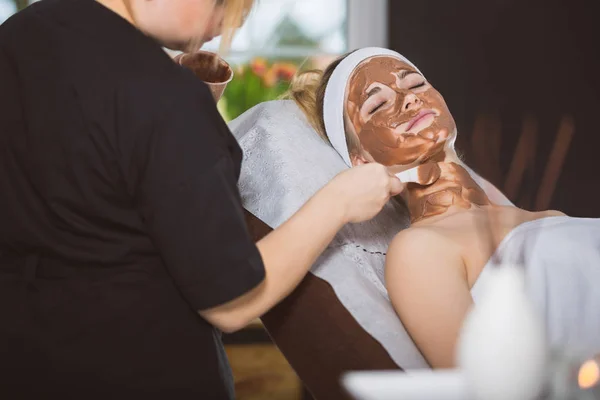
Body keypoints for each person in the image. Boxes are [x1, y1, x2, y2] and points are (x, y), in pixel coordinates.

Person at [0, 2, 404, 398]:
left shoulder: (18, 36)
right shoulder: (161, 93)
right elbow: (230, 302)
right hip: (139, 373)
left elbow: (84, 172)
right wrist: (338, 201)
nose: (228, 25)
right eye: (225, 7)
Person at [289, 47, 600, 369]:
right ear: (361, 161)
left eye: (416, 84)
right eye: (377, 104)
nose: (409, 99)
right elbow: (487, 386)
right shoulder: (422, 248)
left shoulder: (550, 218)